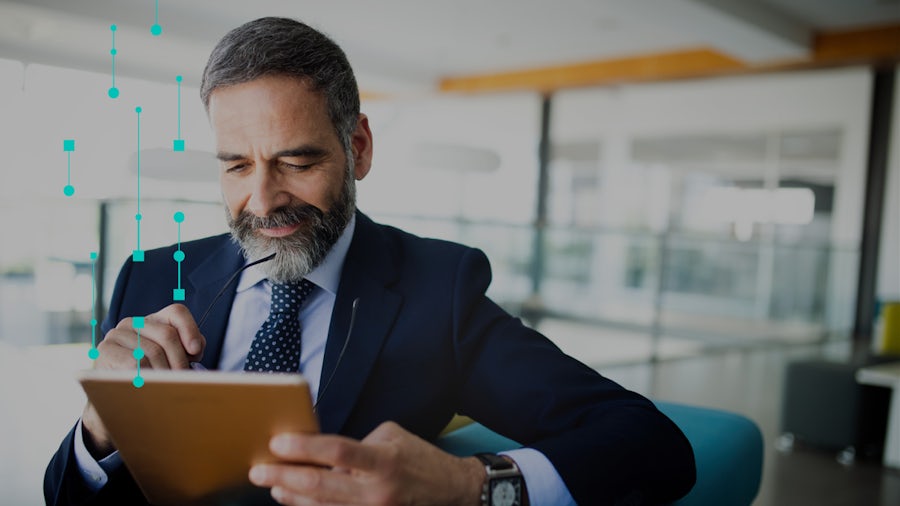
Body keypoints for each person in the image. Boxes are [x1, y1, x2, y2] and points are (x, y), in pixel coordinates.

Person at [44, 17, 695, 506]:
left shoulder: (438, 291)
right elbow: (68, 494)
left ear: (357, 147)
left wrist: (468, 483)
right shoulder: (150, 276)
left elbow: (651, 446)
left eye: (296, 161)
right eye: (237, 166)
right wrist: (98, 435)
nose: (263, 200)